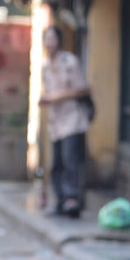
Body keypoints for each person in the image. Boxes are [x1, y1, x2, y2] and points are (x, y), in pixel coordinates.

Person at [39, 24, 91, 218]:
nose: (50, 43)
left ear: (59, 41)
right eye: (47, 39)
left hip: (72, 120)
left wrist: (56, 97)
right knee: (57, 164)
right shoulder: (45, 67)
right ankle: (60, 200)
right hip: (55, 122)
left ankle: (72, 199)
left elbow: (83, 89)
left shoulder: (70, 62)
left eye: (53, 39)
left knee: (71, 161)